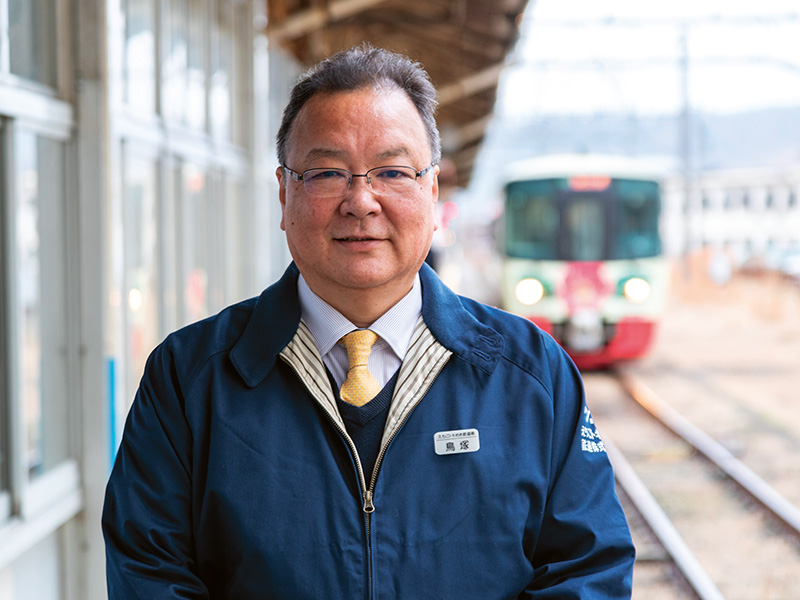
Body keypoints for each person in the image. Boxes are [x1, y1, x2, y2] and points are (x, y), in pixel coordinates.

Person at [102, 43, 635, 599]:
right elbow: (149, 574)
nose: (361, 201)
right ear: (284, 194)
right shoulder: (189, 379)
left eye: (392, 171)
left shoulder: (531, 374)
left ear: (432, 193)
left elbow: (589, 569)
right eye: (328, 171)